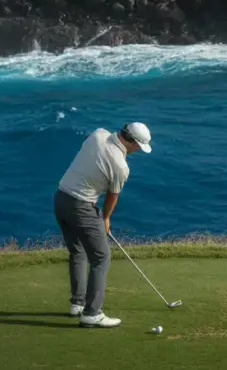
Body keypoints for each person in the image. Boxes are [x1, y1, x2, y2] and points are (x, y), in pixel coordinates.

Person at [54, 122, 152, 328]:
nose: (137, 152)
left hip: (61, 198)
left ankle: (77, 303)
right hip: (81, 207)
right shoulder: (121, 167)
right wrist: (105, 218)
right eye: (138, 147)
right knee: (101, 257)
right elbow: (112, 196)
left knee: (77, 251)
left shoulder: (98, 134)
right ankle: (92, 313)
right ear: (133, 142)